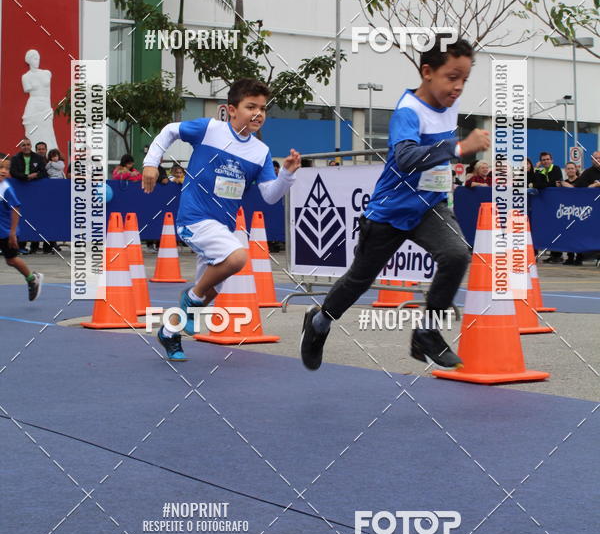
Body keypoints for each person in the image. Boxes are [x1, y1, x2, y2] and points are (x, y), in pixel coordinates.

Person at [301, 35, 490, 372]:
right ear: (427, 72)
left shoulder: (450, 105)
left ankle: (427, 332)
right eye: (452, 77)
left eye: (464, 79)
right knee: (359, 280)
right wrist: (459, 149)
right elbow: (404, 158)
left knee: (457, 253)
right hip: (390, 210)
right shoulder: (408, 111)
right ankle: (319, 322)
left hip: (430, 207)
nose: (459, 87)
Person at [142, 77, 301, 361]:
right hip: (194, 219)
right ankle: (189, 299)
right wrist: (151, 164)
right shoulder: (209, 129)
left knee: (213, 289)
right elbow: (169, 131)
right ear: (231, 110)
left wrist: (286, 174)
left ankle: (169, 332)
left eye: (263, 108)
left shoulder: (260, 152)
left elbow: (270, 196)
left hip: (222, 227)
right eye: (251, 106)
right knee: (238, 259)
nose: (258, 114)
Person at [0, 154, 43, 300]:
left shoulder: (6, 189)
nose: (4, 171)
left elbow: (16, 208)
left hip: (7, 232)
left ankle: (32, 279)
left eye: (7, 168)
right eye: (1, 167)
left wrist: (12, 233)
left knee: (11, 260)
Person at [9, 138, 47, 254]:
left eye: (28, 145)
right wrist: (26, 177)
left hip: (35, 191)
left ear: (31, 146)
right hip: (20, 190)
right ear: (20, 147)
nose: (26, 147)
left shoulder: (39, 158)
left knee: (34, 216)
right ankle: (20, 245)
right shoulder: (15, 158)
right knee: (20, 216)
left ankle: (35, 246)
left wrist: (35, 175)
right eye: (23, 145)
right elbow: (13, 172)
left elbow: (44, 173)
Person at [533, 151, 564, 263]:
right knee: (548, 229)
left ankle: (558, 255)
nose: (545, 161)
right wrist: (536, 169)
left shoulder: (555, 168)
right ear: (540, 162)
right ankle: (552, 254)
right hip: (545, 204)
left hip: (556, 203)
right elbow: (537, 185)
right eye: (543, 160)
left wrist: (545, 185)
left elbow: (556, 182)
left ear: (551, 160)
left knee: (557, 228)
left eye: (547, 159)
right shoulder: (540, 171)